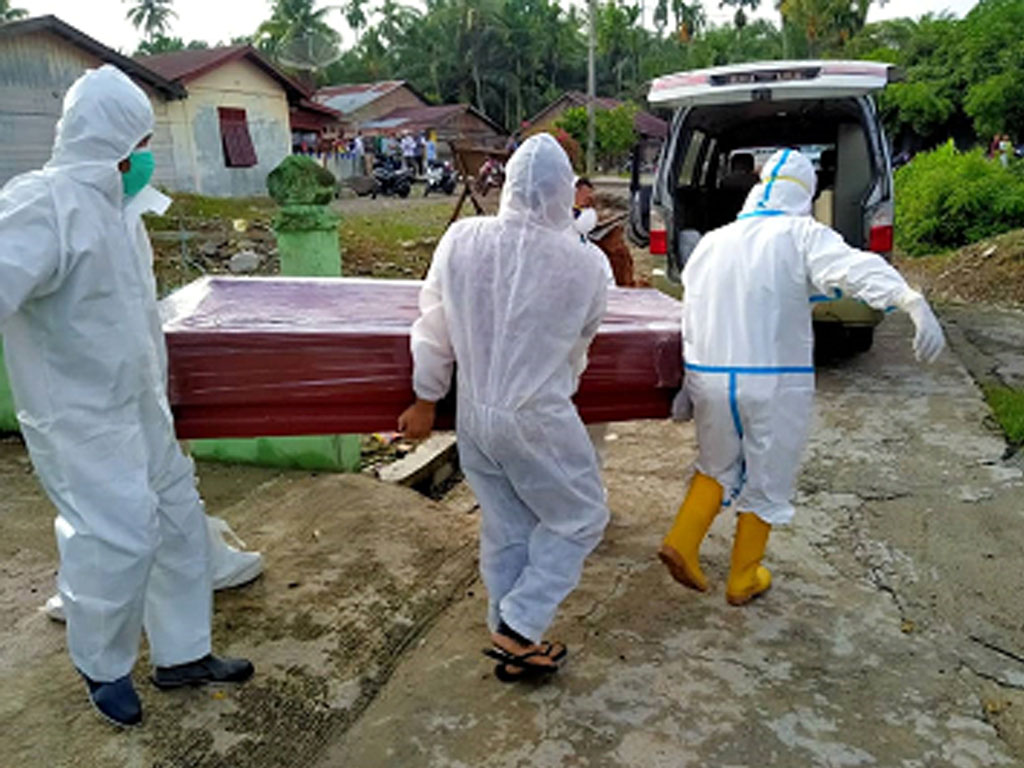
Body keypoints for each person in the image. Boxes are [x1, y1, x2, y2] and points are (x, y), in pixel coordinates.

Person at [0, 65, 254, 727]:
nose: (146, 157)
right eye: (138, 143)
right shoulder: (41, 205)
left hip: (140, 405)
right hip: (78, 415)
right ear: (110, 143)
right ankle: (102, 662)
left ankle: (182, 652)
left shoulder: (122, 211)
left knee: (176, 520)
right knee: (116, 539)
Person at [658, 149, 945, 606]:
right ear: (806, 193)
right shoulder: (801, 234)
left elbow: (690, 313)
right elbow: (853, 269)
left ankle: (683, 541)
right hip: (772, 380)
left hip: (710, 377)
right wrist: (907, 298)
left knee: (716, 465)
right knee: (768, 477)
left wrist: (684, 383)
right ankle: (743, 576)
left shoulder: (713, 241)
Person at [398, 134, 610, 682]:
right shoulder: (585, 264)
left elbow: (433, 325)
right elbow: (578, 350)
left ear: (508, 183)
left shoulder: (462, 238)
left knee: (507, 527)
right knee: (581, 516)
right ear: (566, 193)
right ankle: (521, 623)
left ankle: (512, 641)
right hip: (536, 412)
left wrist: (426, 397)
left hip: (475, 414)